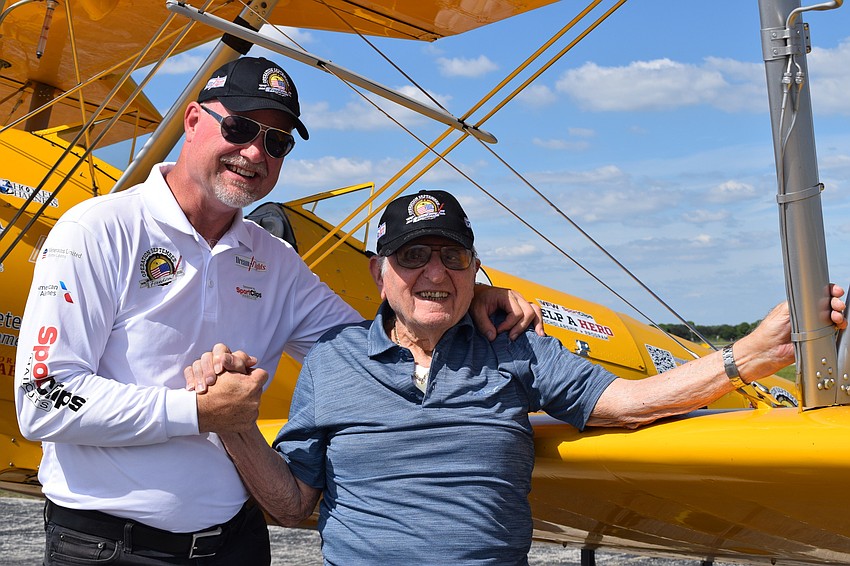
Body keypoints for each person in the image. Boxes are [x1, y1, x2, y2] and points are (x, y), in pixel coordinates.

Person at [13, 58, 539, 566]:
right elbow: (41, 400)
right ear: (194, 120)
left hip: (236, 544)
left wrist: (468, 302)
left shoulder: (273, 262)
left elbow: (371, 345)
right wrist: (198, 411)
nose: (255, 152)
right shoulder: (100, 229)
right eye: (241, 127)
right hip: (109, 548)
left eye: (277, 141)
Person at [192, 189, 847, 566]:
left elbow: (625, 403)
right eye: (413, 256)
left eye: (453, 256)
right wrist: (235, 429)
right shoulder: (332, 360)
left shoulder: (515, 345)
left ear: (476, 267)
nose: (434, 272)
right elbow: (293, 506)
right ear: (377, 270)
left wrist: (749, 358)